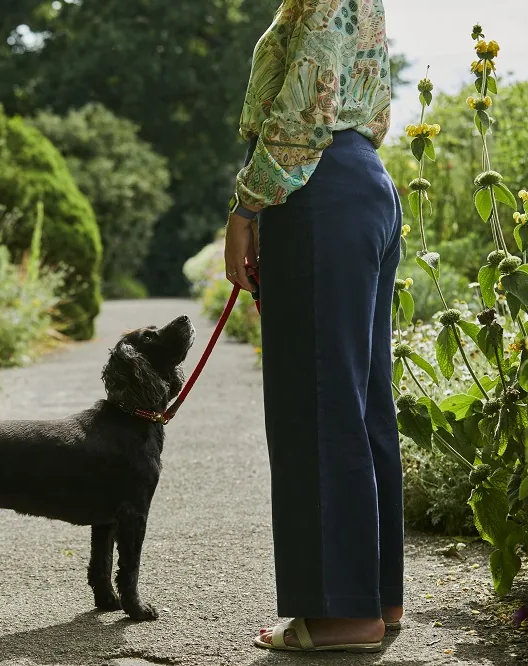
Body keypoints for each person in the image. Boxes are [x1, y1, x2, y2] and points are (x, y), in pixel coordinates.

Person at [223, 0, 404, 654]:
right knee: (359, 402)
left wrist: (247, 204)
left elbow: (306, 103)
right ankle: (376, 596)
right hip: (363, 182)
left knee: (319, 402)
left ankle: (340, 615)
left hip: (316, 186)